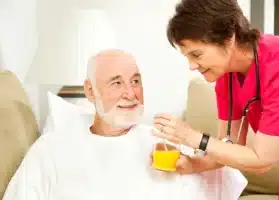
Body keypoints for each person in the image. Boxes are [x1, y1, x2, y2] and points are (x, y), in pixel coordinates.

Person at [3, 49, 246, 200]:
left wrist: (195, 155)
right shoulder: (52, 148)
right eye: (116, 83)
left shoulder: (165, 143)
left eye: (136, 81)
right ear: (90, 90)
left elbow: (227, 171)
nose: (130, 93)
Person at [152, 0, 279, 199]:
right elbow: (228, 146)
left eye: (196, 54)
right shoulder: (226, 76)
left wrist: (192, 137)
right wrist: (193, 165)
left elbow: (262, 161)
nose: (192, 66)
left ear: (229, 38)